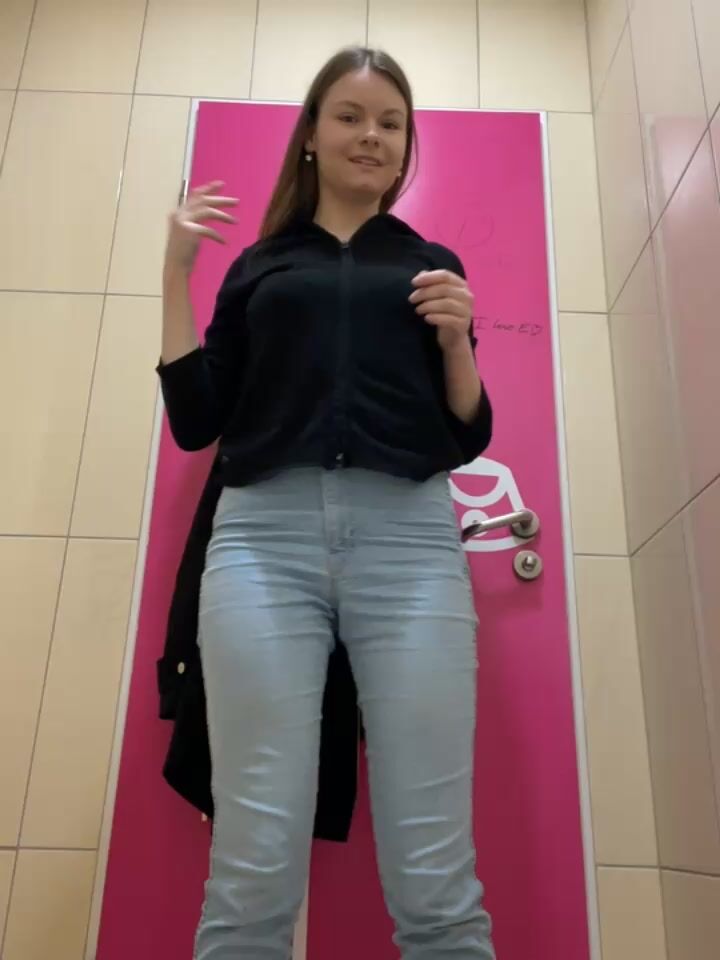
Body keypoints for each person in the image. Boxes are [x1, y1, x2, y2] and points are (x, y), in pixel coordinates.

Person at [158, 45, 495, 960]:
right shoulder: (260, 266)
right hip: (263, 546)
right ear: (311, 134)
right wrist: (174, 274)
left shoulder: (431, 265)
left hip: (409, 545)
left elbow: (467, 435)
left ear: (406, 145)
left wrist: (458, 340)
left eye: (391, 123)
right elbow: (197, 422)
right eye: (350, 116)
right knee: (252, 867)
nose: (371, 135)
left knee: (436, 873)